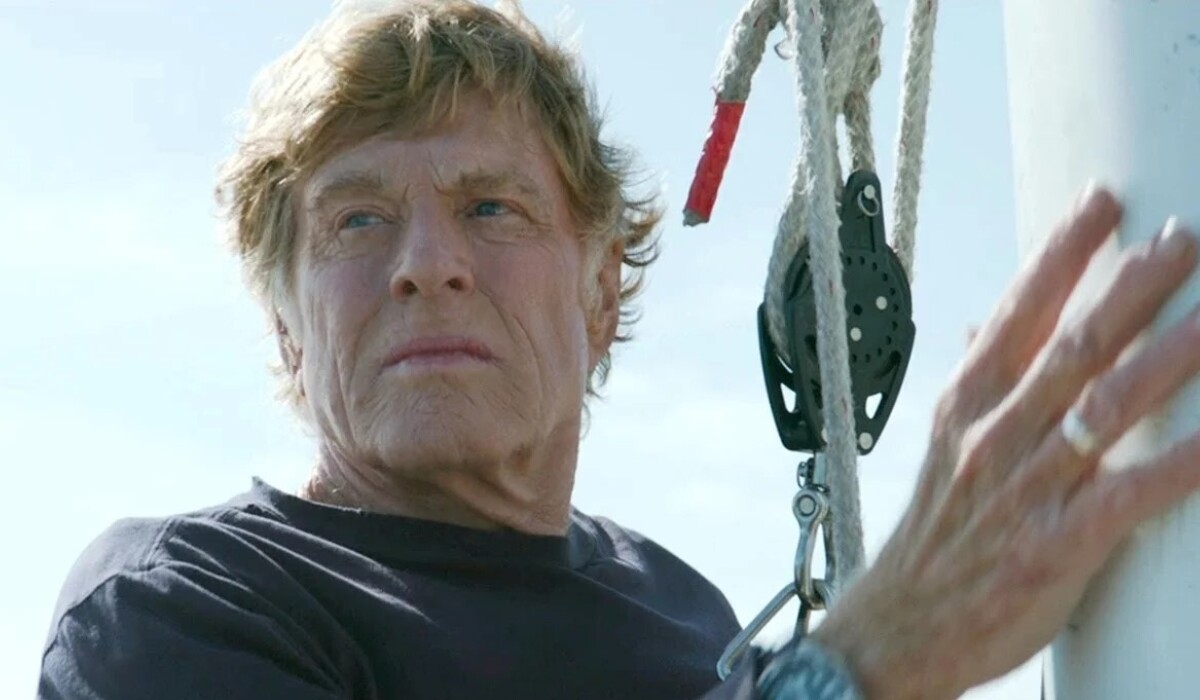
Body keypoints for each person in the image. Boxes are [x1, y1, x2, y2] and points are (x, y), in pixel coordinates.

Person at [37, 2, 1200, 699]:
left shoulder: (689, 618)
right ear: (287, 324)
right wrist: (859, 667)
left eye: (491, 207)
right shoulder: (175, 609)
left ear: (602, 293)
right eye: (357, 220)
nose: (427, 262)